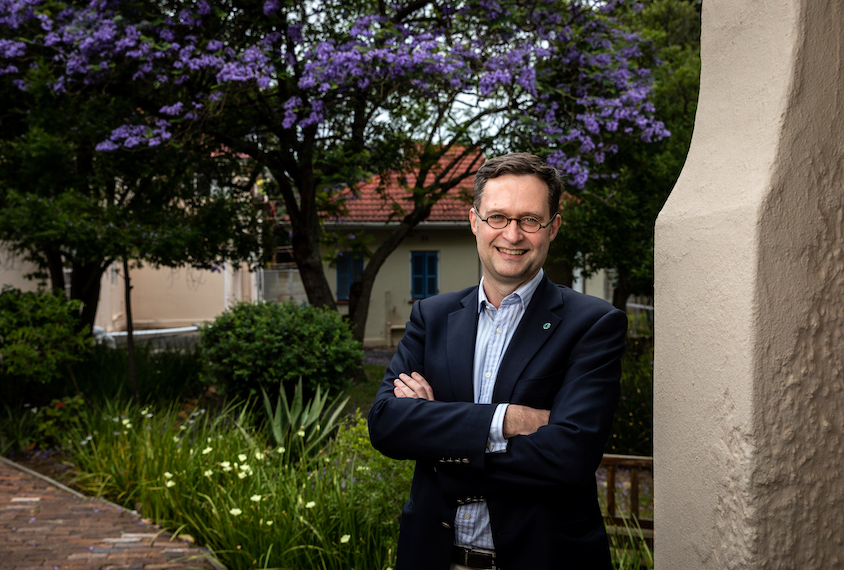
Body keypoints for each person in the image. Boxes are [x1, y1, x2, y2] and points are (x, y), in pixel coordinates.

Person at [368, 152, 627, 570]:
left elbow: (568, 457)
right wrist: (504, 421)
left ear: (553, 227)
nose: (512, 234)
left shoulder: (593, 324)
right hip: (432, 558)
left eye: (530, 219)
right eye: (497, 218)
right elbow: (385, 423)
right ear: (474, 222)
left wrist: (440, 446)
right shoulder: (431, 317)